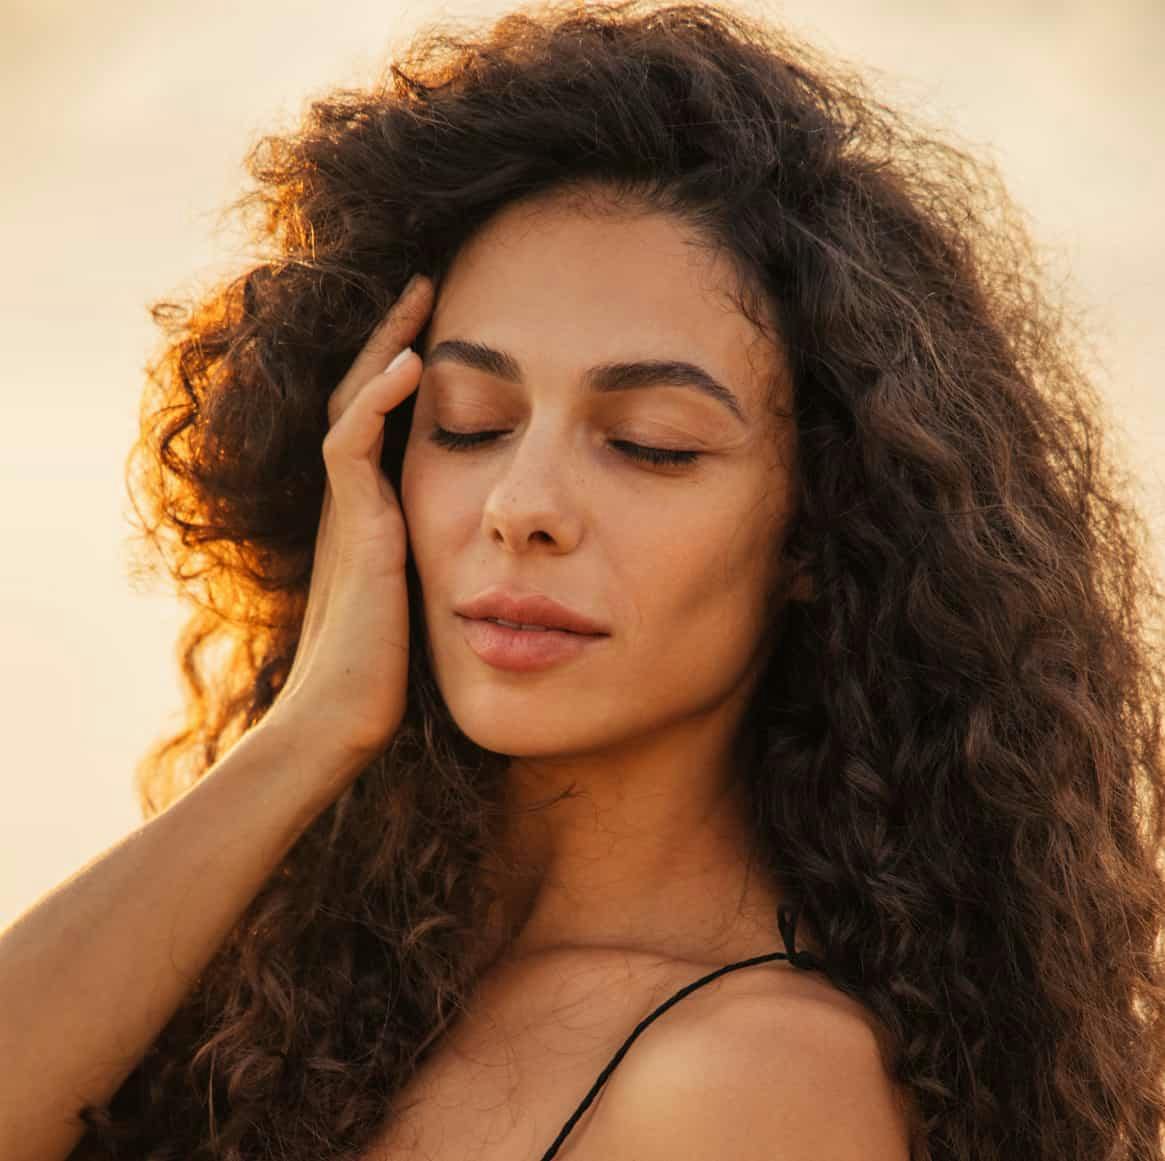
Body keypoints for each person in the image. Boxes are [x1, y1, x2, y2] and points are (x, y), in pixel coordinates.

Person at [3, 1, 1163, 1159]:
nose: (522, 507)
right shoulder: (311, 973)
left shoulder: (748, 1082)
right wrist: (312, 728)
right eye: (465, 424)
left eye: (651, 442)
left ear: (820, 532)